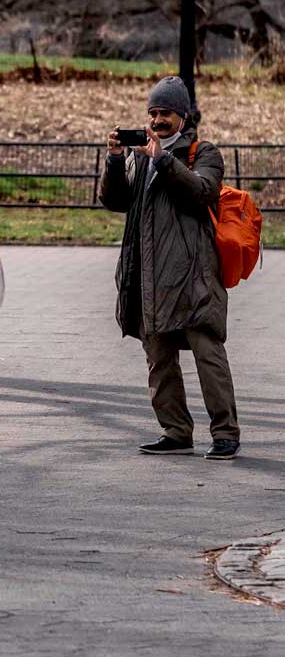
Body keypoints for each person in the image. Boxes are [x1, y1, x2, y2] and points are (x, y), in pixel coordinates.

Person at [99, 76, 240, 460]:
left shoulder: (202, 152)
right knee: (158, 359)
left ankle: (225, 433)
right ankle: (176, 432)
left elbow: (202, 192)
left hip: (193, 276)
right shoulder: (140, 156)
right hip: (148, 277)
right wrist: (116, 159)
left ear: (182, 116)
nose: (158, 120)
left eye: (165, 113)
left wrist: (163, 158)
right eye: (153, 113)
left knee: (208, 355)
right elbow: (114, 201)